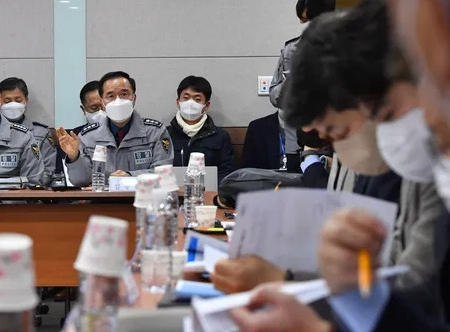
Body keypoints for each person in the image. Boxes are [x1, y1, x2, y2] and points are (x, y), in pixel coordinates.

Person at [230, 1, 450, 330]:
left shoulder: (422, 166)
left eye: (440, 84)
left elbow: (416, 288)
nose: (431, 116)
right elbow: (417, 312)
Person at [241, 0, 336, 172]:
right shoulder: (291, 49)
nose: (305, 25)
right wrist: (288, 83)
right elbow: (274, 97)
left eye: (311, 19)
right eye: (303, 20)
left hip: (332, 136)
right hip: (295, 138)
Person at [58, 71, 173, 185]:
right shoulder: (87, 136)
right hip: (101, 202)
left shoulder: (155, 132)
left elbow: (164, 174)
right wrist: (74, 157)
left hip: (142, 199)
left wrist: (130, 177)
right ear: (103, 103)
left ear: (134, 98)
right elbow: (80, 181)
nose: (118, 101)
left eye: (124, 94)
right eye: (111, 96)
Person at [166, 75, 235, 184]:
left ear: (206, 105)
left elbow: (226, 172)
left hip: (208, 195)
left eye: (197, 99)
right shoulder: (165, 135)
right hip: (172, 194)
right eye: (186, 97)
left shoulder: (220, 136)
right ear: (178, 102)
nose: (190, 103)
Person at [0, 77, 56, 185]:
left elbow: (48, 171)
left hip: (31, 194)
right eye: (7, 101)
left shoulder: (41, 133)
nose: (13, 104)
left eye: (18, 100)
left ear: (26, 100)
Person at [55, 81, 102, 176]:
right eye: (94, 108)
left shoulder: (121, 133)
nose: (101, 112)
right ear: (83, 110)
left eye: (104, 107)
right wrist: (74, 156)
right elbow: (61, 175)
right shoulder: (71, 138)